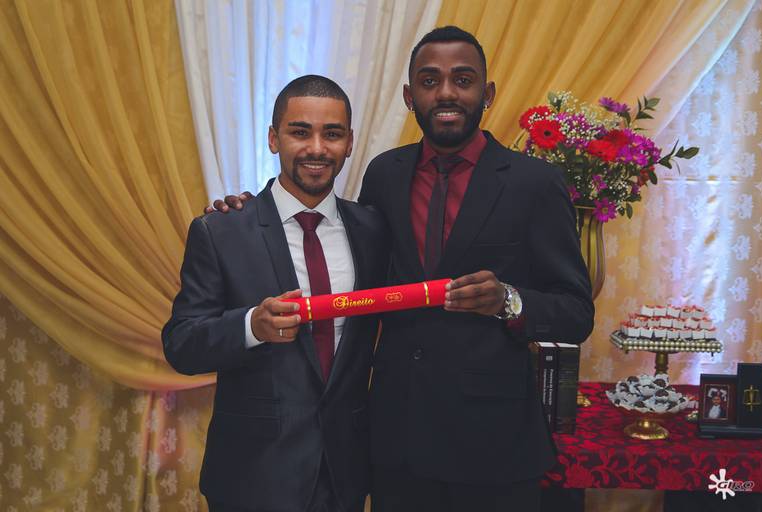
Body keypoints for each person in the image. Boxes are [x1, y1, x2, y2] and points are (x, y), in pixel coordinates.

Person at [212, 26, 593, 512]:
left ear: (488, 94)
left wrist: (509, 300)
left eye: (463, 79)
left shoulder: (535, 183)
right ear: (410, 97)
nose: (447, 93)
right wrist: (249, 213)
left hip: (493, 445)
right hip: (395, 443)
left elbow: (576, 312)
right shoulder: (385, 173)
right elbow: (343, 246)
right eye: (430, 81)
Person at [163, 75, 389, 512]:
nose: (317, 148)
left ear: (349, 143)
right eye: (300, 132)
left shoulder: (374, 230)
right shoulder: (221, 230)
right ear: (273, 138)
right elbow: (181, 345)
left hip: (345, 474)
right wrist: (252, 326)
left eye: (332, 134)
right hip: (252, 476)